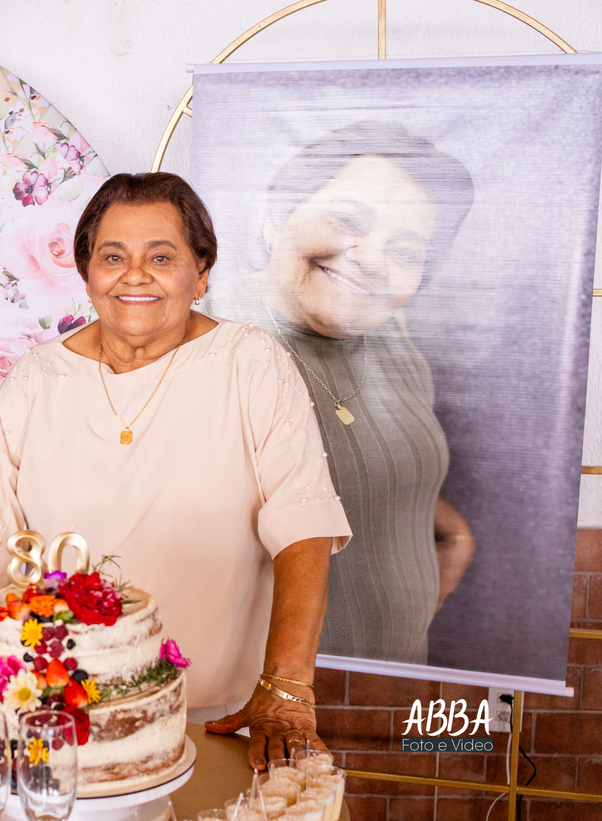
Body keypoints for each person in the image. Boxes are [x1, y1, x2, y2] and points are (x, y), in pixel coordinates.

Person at [0, 172, 352, 770]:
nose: (135, 275)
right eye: (113, 257)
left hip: (212, 718)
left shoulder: (251, 362)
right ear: (86, 275)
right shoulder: (36, 377)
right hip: (53, 716)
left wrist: (287, 690)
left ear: (201, 274)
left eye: (161, 257)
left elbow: (303, 527)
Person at [203, 121, 477, 665]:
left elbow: (356, 457)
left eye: (405, 251)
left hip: (390, 677)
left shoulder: (390, 339)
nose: (371, 259)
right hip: (269, 689)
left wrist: (446, 528)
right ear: (277, 216)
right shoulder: (205, 340)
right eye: (348, 220)